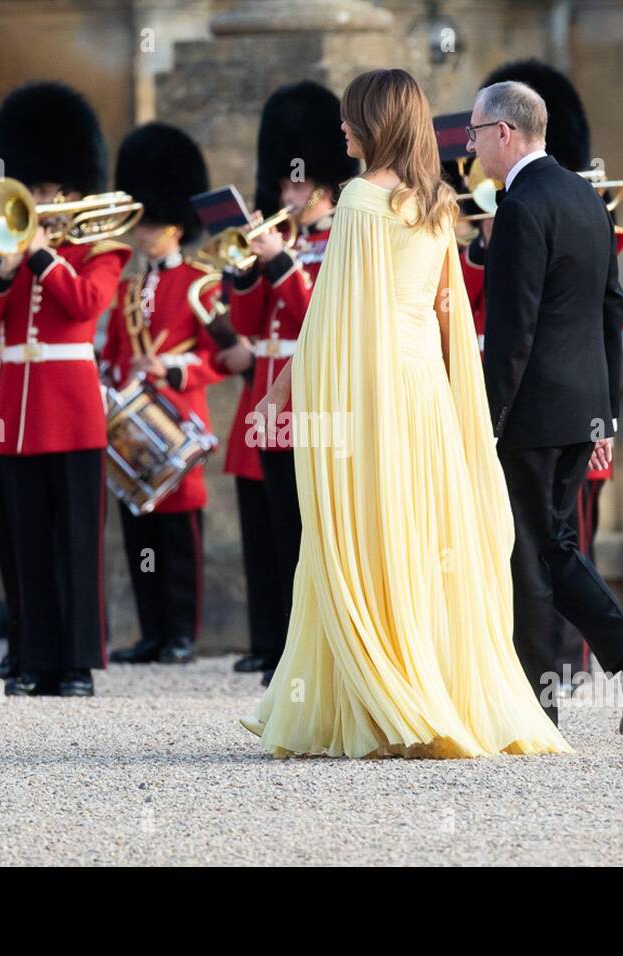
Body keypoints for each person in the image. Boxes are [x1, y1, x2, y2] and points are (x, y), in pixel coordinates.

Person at [240, 68, 571, 759]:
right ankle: (435, 686)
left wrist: (282, 393)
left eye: (350, 116)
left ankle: (382, 695)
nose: (341, 127)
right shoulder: (437, 202)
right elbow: (449, 311)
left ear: (375, 123)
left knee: (362, 539)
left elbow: (335, 316)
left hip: (371, 393)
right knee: (423, 540)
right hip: (423, 393)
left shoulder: (360, 199)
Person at [471, 79, 623, 731]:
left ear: (504, 132)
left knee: (528, 554)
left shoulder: (523, 207)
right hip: (580, 407)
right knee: (554, 545)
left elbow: (512, 333)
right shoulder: (585, 199)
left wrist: (486, 416)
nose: (471, 149)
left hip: (530, 411)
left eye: (475, 135)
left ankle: (538, 707)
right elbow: (613, 310)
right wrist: (606, 409)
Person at [0, 81, 131, 697]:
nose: (37, 200)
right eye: (32, 190)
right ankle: (33, 659)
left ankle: (77, 663)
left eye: (48, 191)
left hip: (70, 405)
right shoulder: (4, 251)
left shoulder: (101, 248)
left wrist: (40, 259)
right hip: (17, 411)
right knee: (27, 538)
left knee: (76, 542)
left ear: (72, 191)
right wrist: (4, 272)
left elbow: (86, 303)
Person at [215, 81, 358, 686]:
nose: (287, 194)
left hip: (316, 407)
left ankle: (316, 655)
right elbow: (247, 326)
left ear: (323, 185)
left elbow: (318, 317)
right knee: (276, 538)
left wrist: (278, 263)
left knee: (310, 540)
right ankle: (277, 649)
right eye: (282, 184)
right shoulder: (287, 246)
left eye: (296, 184)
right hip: (269, 410)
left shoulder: (337, 242)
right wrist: (244, 274)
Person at [103, 122, 222, 665]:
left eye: (150, 221)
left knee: (179, 538)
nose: (141, 231)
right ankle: (152, 631)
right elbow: (117, 352)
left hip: (178, 418)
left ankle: (181, 634)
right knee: (140, 529)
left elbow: (218, 356)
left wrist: (172, 369)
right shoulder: (129, 286)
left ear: (175, 225)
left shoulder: (201, 281)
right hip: (133, 423)